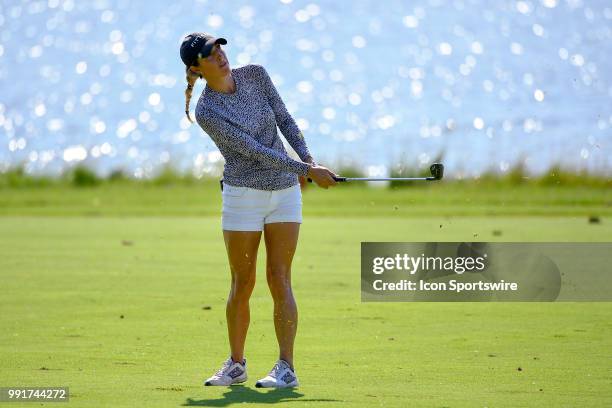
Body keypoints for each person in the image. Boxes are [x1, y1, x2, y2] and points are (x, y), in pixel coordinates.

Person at [179, 32, 338, 388]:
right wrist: (306, 172)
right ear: (197, 68)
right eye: (209, 53)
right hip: (242, 197)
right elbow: (252, 150)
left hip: (284, 194)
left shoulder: (256, 74)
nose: (219, 55)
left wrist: (308, 159)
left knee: (279, 278)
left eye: (219, 47)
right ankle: (236, 364)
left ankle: (286, 368)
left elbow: (285, 119)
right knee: (243, 281)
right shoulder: (207, 111)